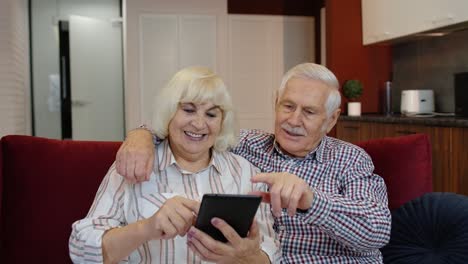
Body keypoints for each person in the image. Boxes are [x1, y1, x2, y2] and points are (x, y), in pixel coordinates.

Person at [116, 63, 392, 263]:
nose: (293, 120)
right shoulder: (246, 144)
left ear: (331, 119)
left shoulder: (350, 159)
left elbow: (378, 231)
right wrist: (140, 135)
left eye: (309, 112)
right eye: (287, 106)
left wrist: (312, 200)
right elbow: (192, 129)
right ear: (275, 103)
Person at [69, 66, 279, 264]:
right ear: (169, 112)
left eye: (211, 114)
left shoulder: (245, 172)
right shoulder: (134, 164)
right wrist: (146, 228)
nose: (198, 124)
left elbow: (271, 249)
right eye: (188, 110)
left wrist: (249, 258)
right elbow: (81, 249)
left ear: (222, 121)